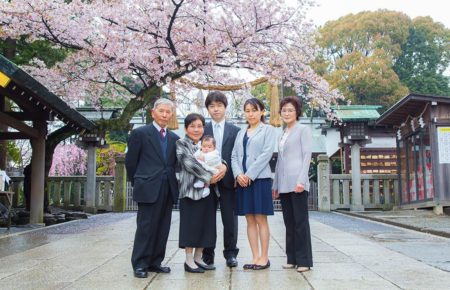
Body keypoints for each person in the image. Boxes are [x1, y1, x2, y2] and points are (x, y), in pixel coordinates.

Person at [125, 98, 180, 278]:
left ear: (171, 115)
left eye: (168, 112)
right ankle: (140, 264)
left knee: (163, 226)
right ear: (153, 112)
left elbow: (175, 164)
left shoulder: (174, 138)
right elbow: (131, 162)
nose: (165, 115)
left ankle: (156, 262)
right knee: (146, 227)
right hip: (147, 185)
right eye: (161, 111)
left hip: (168, 186)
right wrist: (138, 181)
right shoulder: (140, 133)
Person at [177, 113, 227, 273]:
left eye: (199, 126)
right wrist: (210, 177)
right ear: (186, 128)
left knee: (205, 225)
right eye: (192, 126)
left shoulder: (206, 143)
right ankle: (189, 260)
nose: (196, 129)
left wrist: (224, 166)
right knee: (191, 225)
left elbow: (218, 157)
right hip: (191, 190)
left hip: (208, 192)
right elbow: (189, 163)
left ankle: (199, 257)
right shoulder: (181, 143)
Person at [231, 98, 275, 270]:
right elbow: (234, 156)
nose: (250, 114)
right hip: (242, 181)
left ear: (262, 111)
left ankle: (264, 257)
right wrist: (238, 174)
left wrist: (249, 174)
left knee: (260, 219)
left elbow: (267, 153)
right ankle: (255, 257)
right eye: (247, 110)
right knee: (249, 219)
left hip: (260, 179)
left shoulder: (268, 130)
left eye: (254, 110)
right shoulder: (240, 133)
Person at [272, 96, 313, 273]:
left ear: (297, 112)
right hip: (284, 183)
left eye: (290, 110)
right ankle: (292, 258)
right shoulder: (282, 134)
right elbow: (279, 161)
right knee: (288, 222)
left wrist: (301, 181)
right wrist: (275, 185)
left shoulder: (303, 130)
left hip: (298, 183)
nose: (287, 113)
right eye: (284, 110)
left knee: (300, 223)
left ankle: (304, 260)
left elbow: (307, 156)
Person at [202, 91, 241, 268]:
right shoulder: (202, 129)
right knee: (207, 218)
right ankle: (207, 254)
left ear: (225, 107)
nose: (216, 109)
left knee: (230, 219)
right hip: (206, 181)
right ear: (208, 109)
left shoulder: (236, 130)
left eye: (219, 105)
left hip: (229, 180)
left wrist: (236, 174)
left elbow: (239, 156)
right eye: (212, 106)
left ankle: (231, 253)